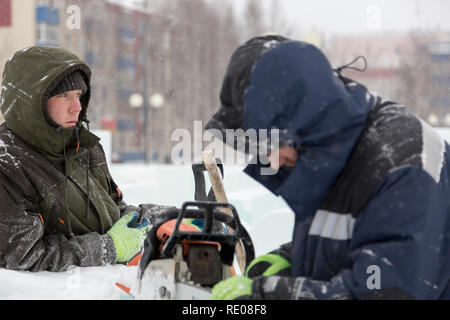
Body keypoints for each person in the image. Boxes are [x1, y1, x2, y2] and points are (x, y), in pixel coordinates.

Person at [207, 35, 450, 299]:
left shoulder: (400, 167)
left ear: (306, 121)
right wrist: (290, 260)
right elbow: (360, 243)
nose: (272, 160)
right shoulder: (331, 153)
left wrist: (271, 295)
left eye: (273, 142)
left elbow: (380, 287)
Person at [0, 45, 168, 271]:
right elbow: (21, 257)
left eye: (79, 95)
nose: (77, 107)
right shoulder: (8, 162)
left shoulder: (84, 146)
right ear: (31, 100)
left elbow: (114, 214)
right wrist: (107, 248)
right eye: (63, 95)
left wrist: (168, 220)